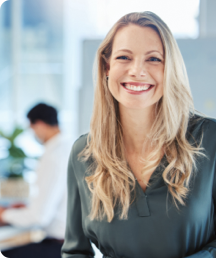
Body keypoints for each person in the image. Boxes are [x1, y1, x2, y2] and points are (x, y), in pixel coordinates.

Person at [61, 11, 216, 258]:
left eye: (153, 59)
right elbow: (75, 251)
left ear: (170, 69)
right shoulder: (83, 153)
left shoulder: (210, 138)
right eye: (124, 57)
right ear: (106, 67)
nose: (137, 71)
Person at [0, 103, 71, 258]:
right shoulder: (68, 147)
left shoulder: (54, 156)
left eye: (31, 129)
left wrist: (4, 214)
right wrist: (25, 208)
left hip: (58, 247)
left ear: (38, 124)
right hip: (70, 244)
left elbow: (40, 217)